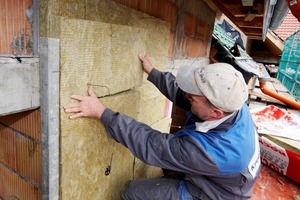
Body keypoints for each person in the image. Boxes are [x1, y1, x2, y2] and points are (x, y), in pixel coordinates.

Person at [64, 55, 261, 200]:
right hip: (218, 176)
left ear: (216, 112)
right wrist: (154, 73)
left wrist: (101, 112)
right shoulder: (232, 102)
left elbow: (153, 145)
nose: (188, 95)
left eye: (193, 96)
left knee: (132, 191)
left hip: (214, 194)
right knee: (170, 162)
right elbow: (184, 94)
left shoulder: (211, 152)